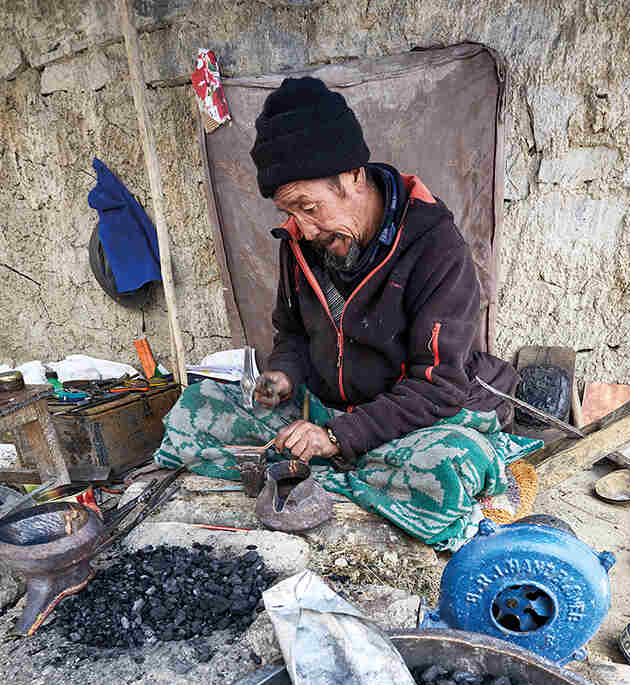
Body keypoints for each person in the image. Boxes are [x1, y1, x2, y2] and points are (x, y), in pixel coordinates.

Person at [155, 77, 540, 549]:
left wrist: (336, 438)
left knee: (455, 464)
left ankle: (335, 469)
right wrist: (283, 377)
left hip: (410, 421)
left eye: (308, 207)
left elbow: (438, 386)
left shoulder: (435, 247)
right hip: (321, 412)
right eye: (290, 211)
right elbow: (291, 333)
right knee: (193, 410)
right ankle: (352, 479)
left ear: (354, 176)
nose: (304, 227)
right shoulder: (302, 241)